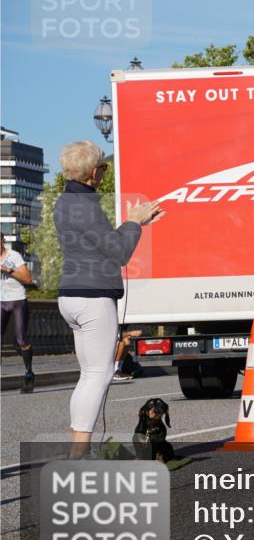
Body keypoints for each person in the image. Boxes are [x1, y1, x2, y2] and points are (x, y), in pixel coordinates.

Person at [55, 141, 164, 458]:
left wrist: (131, 225)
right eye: (103, 167)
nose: (104, 171)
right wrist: (135, 222)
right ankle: (78, 454)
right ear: (93, 172)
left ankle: (78, 448)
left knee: (87, 375)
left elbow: (98, 243)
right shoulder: (86, 206)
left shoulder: (66, 201)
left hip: (71, 294)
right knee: (100, 375)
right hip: (93, 296)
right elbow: (118, 252)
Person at [1, 233, 35, 392]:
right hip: (1, 302)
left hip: (17, 300)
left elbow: (28, 279)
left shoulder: (14, 256)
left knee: (21, 339)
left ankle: (29, 375)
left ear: (2, 241)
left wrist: (9, 270)